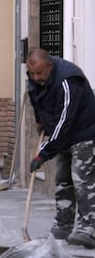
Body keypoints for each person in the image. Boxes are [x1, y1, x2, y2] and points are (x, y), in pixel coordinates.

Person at [27, 48, 95, 248]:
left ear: (50, 66)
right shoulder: (35, 78)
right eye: (33, 73)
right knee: (62, 180)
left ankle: (88, 228)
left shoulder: (69, 80)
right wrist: (40, 121)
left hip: (84, 133)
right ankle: (63, 226)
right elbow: (36, 99)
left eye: (40, 73)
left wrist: (43, 154)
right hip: (62, 135)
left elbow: (65, 122)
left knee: (82, 181)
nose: (36, 77)